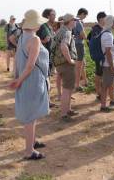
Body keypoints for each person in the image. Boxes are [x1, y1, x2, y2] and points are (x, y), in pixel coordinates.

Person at [10, 10, 50, 160]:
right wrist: (19, 80)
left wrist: (16, 77)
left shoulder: (21, 38)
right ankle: (29, 151)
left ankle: (32, 141)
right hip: (31, 80)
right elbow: (30, 65)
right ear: (35, 24)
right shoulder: (35, 40)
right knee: (30, 117)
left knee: (31, 113)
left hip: (25, 79)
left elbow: (18, 59)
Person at [52, 13, 78, 122]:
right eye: (74, 20)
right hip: (66, 64)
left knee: (68, 88)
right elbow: (63, 46)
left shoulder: (60, 31)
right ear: (70, 21)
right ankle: (64, 114)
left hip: (59, 63)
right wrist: (70, 60)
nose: (76, 22)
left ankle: (68, 109)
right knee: (67, 90)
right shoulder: (67, 32)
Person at [37, 9, 57, 107]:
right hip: (43, 58)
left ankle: (46, 100)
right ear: (48, 16)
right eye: (53, 14)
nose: (55, 16)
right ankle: (45, 102)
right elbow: (34, 39)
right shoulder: (42, 26)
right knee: (45, 79)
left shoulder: (49, 27)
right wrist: (43, 41)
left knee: (46, 79)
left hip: (48, 57)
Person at [99, 15, 114, 112]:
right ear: (111, 23)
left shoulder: (107, 33)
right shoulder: (107, 35)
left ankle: (112, 100)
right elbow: (108, 52)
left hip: (108, 63)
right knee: (106, 85)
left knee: (110, 83)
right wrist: (112, 66)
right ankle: (103, 106)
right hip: (108, 64)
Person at [87, 11, 107, 100]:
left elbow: (88, 39)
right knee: (99, 74)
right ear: (100, 19)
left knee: (100, 74)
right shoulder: (96, 29)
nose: (106, 20)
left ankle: (101, 92)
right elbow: (91, 41)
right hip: (99, 56)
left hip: (101, 55)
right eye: (105, 18)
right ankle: (99, 93)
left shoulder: (98, 28)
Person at [73, 8, 88, 91]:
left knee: (82, 64)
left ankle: (85, 81)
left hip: (74, 44)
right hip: (79, 44)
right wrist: (88, 40)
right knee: (79, 65)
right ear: (82, 14)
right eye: (85, 15)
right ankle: (77, 85)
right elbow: (83, 35)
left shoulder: (73, 21)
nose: (85, 17)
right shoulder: (78, 22)